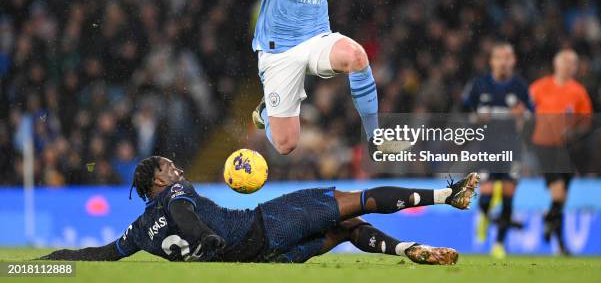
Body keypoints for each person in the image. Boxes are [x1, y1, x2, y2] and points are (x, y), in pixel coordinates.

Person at [41, 156, 479, 264]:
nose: (176, 168)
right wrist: (205, 235)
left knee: (347, 228)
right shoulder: (178, 193)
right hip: (268, 222)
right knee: (355, 200)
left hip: (266, 256)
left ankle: (410, 249)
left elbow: (98, 254)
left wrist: (41, 266)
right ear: (158, 180)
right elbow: (186, 217)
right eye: (168, 166)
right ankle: (449, 196)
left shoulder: (138, 231)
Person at [251, 0, 379, 155]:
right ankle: (266, 112)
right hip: (279, 50)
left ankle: (375, 135)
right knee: (286, 145)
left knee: (357, 56)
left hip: (315, 38)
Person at [462, 43, 532, 259]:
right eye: (499, 57)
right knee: (487, 193)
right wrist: (476, 119)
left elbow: (530, 117)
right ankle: (483, 215)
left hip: (512, 148)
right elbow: (466, 113)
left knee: (509, 194)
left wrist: (523, 117)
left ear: (514, 61)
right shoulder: (479, 85)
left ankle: (500, 244)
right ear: (492, 61)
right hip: (488, 148)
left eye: (508, 57)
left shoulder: (520, 87)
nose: (503, 61)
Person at [529, 49, 593, 255]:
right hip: (544, 146)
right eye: (565, 61)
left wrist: (574, 131)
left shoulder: (578, 91)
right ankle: (549, 220)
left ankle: (559, 241)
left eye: (572, 63)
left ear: (575, 67)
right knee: (558, 192)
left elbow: (586, 121)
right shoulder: (539, 87)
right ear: (556, 64)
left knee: (561, 198)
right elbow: (523, 112)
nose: (568, 66)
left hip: (567, 149)